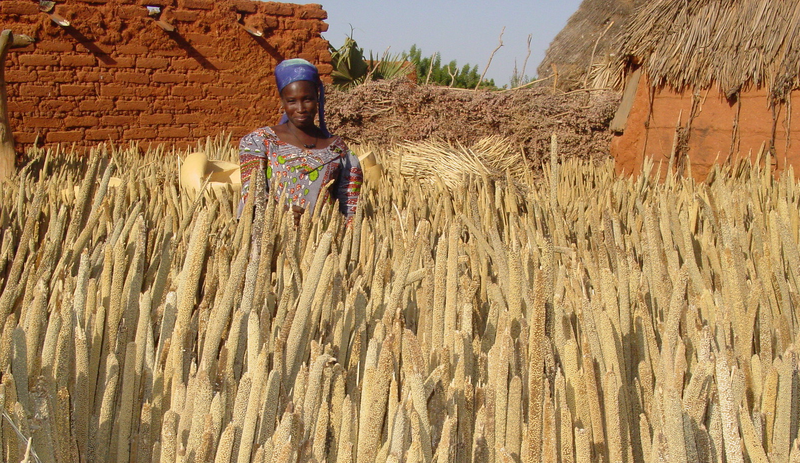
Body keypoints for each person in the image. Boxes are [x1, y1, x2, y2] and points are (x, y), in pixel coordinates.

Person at [239, 58, 362, 225]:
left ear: (317, 99)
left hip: (320, 245)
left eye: (307, 99)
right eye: (292, 101)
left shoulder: (338, 150)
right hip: (271, 245)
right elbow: (251, 196)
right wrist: (280, 213)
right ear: (282, 102)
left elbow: (350, 211)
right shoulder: (259, 142)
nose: (300, 108)